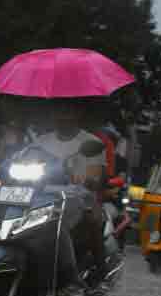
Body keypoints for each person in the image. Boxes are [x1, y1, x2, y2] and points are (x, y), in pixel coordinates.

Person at [30, 100, 108, 283]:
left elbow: (96, 178)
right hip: (43, 197)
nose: (62, 114)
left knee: (92, 221)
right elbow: (25, 158)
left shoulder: (91, 142)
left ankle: (97, 274)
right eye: (58, 109)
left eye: (68, 110)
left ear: (78, 113)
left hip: (78, 199)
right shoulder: (41, 142)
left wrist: (85, 178)